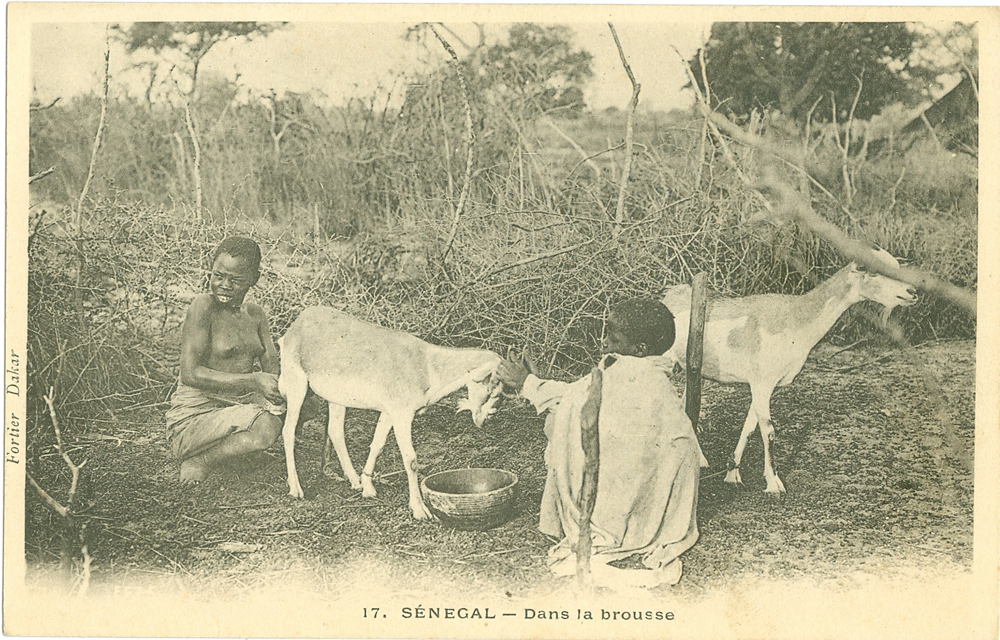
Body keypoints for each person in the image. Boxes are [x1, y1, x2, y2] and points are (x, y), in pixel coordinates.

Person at [496, 298, 702, 588]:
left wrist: (528, 384)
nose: (603, 343)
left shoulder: (628, 375)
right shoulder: (650, 377)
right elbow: (580, 397)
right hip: (648, 501)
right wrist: (533, 382)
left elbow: (575, 404)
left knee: (564, 424)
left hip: (616, 508)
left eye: (612, 337)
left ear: (639, 350)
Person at [165, 237, 286, 483]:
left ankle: (240, 451)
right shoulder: (203, 307)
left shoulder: (255, 315)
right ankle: (201, 459)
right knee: (266, 428)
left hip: (235, 408)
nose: (224, 285)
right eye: (218, 276)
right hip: (194, 417)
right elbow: (190, 374)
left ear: (254, 279)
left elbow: (272, 368)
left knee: (306, 405)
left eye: (235, 280)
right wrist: (253, 381)